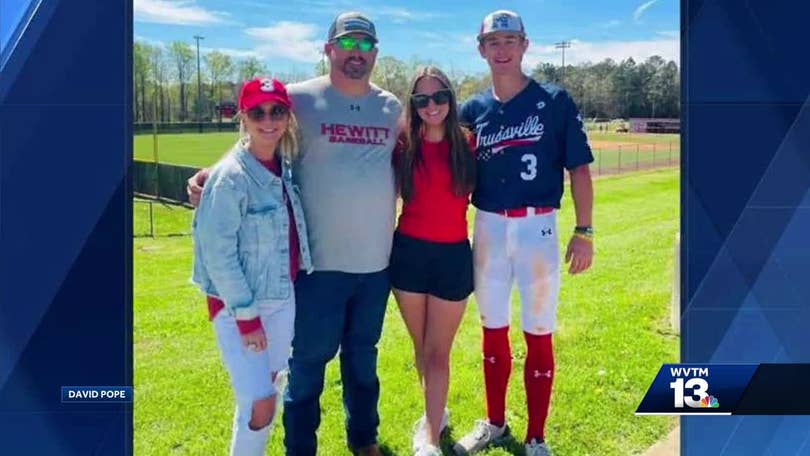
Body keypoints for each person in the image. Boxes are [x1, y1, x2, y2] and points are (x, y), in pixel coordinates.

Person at [188, 12, 401, 456]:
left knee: (363, 360)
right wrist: (213, 172)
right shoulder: (301, 99)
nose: (356, 53)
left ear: (375, 53)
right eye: (348, 44)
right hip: (318, 268)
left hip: (375, 265)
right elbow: (260, 132)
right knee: (306, 366)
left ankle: (364, 439)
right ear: (329, 49)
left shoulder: (391, 107)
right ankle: (300, 448)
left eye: (365, 46)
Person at [453, 10, 595, 456]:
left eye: (510, 39)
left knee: (539, 330)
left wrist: (585, 230)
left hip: (539, 227)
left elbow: (579, 169)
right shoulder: (472, 110)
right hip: (490, 226)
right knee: (492, 329)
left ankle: (536, 435)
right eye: (493, 41)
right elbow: (451, 171)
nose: (502, 49)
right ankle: (495, 422)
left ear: (525, 45)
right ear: (481, 49)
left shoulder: (554, 100)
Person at [191, 77, 312, 456]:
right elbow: (217, 253)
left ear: (287, 116)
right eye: (257, 112)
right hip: (239, 307)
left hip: (281, 295)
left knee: (267, 392)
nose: (268, 120)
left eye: (277, 110)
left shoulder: (285, 164)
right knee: (260, 400)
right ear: (243, 117)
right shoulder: (230, 178)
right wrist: (246, 317)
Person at [390, 66, 476, 456]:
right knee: (421, 348)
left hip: (453, 256)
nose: (432, 106)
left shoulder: (468, 143)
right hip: (408, 253)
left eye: (439, 97)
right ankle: (434, 416)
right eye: (422, 99)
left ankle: (430, 439)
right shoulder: (403, 143)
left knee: (438, 351)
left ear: (451, 100)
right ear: (413, 104)